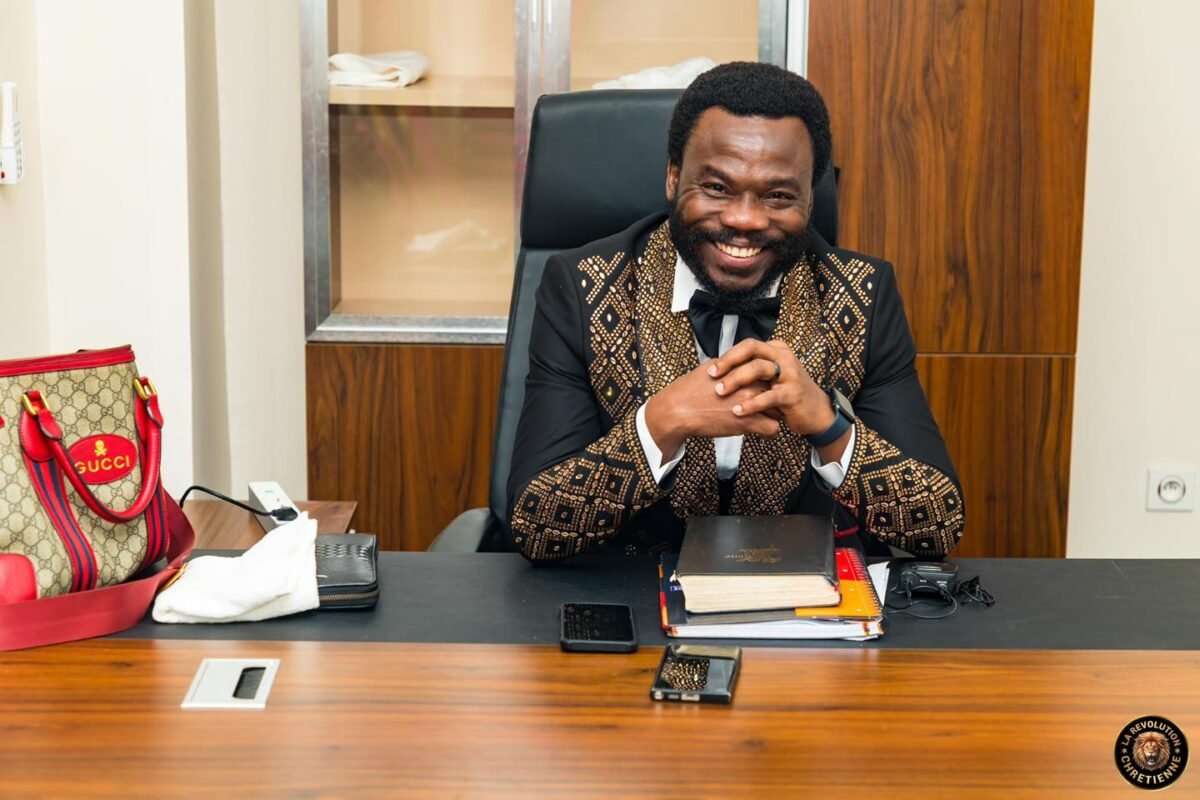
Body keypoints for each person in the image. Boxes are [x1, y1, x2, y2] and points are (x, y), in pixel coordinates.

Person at [506, 62, 965, 562]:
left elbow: (937, 525)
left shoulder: (860, 293)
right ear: (673, 178)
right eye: (717, 188)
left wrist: (826, 424)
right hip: (630, 589)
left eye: (778, 196)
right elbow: (535, 525)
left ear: (811, 200)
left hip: (801, 593)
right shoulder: (584, 287)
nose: (744, 219)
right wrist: (662, 422)